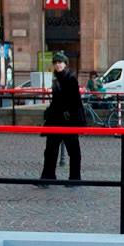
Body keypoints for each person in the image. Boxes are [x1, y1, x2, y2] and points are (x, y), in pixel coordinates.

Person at [39, 54, 85, 186]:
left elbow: (75, 101)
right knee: (50, 150)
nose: (58, 65)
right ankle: (47, 177)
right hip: (56, 119)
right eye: (56, 62)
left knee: (73, 150)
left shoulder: (70, 78)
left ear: (65, 64)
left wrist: (71, 116)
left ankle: (75, 178)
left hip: (68, 120)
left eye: (60, 62)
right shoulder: (56, 78)